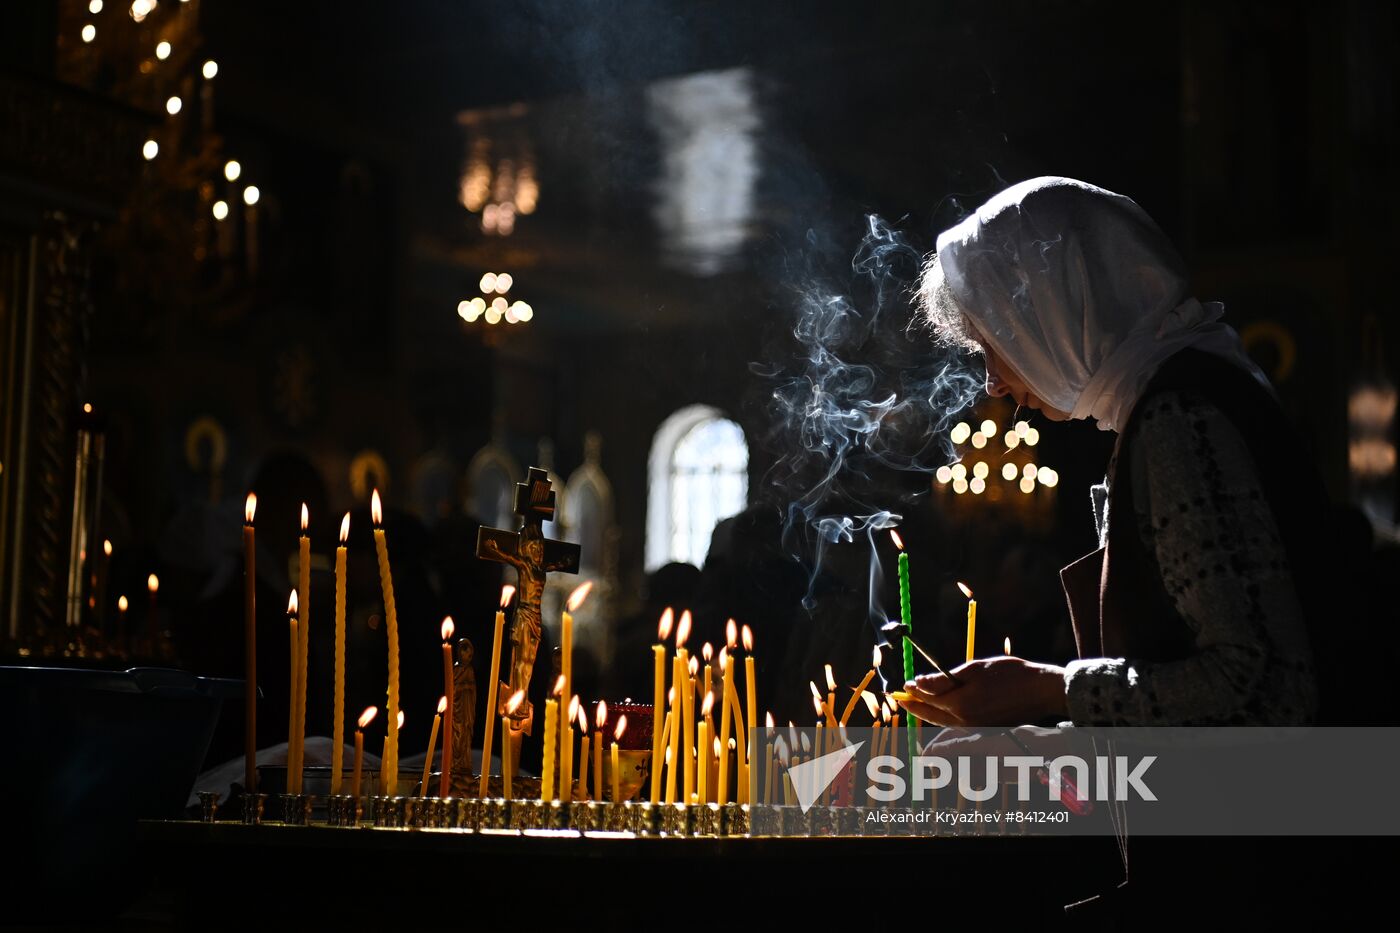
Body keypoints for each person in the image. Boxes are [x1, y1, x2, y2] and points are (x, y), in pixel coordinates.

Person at [898, 176, 1341, 729]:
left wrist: (1048, 689)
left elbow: (1262, 688)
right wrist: (1041, 745)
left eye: (995, 343)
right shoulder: (1181, 391)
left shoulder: (1178, 418)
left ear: (1049, 312)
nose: (991, 382)